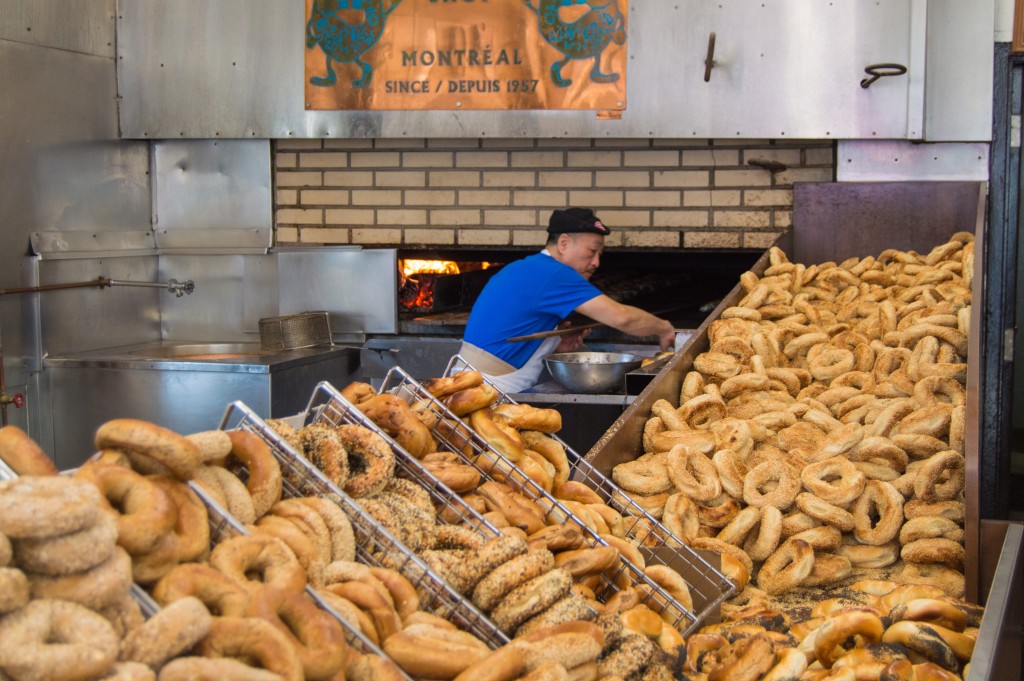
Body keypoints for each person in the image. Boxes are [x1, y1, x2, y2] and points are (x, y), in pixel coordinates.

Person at [460, 207, 676, 393]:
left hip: (469, 382)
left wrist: (554, 344)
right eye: (592, 251)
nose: (596, 262)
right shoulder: (554, 274)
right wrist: (663, 328)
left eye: (600, 253)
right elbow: (622, 318)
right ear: (563, 242)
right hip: (489, 390)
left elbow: (510, 335)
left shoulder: (527, 268)